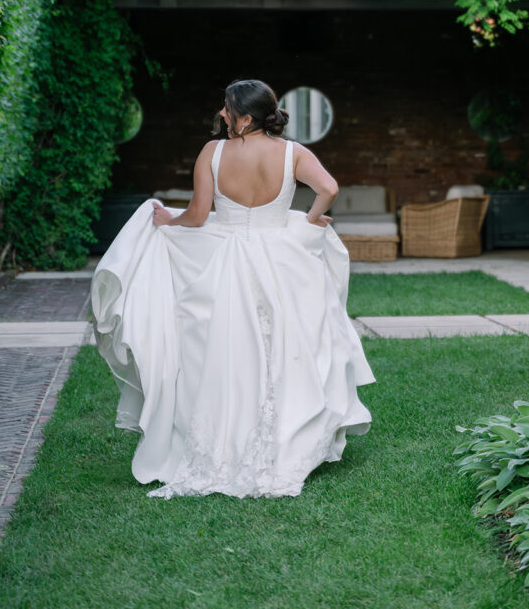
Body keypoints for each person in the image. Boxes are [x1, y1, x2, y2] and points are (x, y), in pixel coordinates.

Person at [91, 79, 375, 499]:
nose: (221, 114)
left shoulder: (213, 152)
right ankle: (288, 437)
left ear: (244, 115)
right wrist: (312, 218)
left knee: (226, 349)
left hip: (226, 261)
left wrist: (167, 223)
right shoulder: (293, 152)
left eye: (226, 108)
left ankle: (224, 436)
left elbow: (198, 214)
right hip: (282, 259)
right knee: (286, 346)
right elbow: (329, 189)